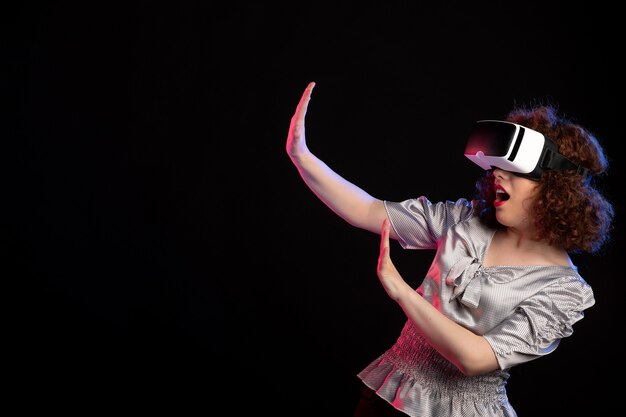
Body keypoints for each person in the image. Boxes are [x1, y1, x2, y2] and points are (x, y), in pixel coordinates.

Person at [285, 81, 614, 417]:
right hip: (389, 397)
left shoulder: (564, 292)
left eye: (516, 171)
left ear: (556, 191)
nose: (498, 174)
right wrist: (302, 156)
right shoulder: (464, 220)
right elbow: (367, 210)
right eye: (498, 167)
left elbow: (474, 359)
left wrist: (402, 292)